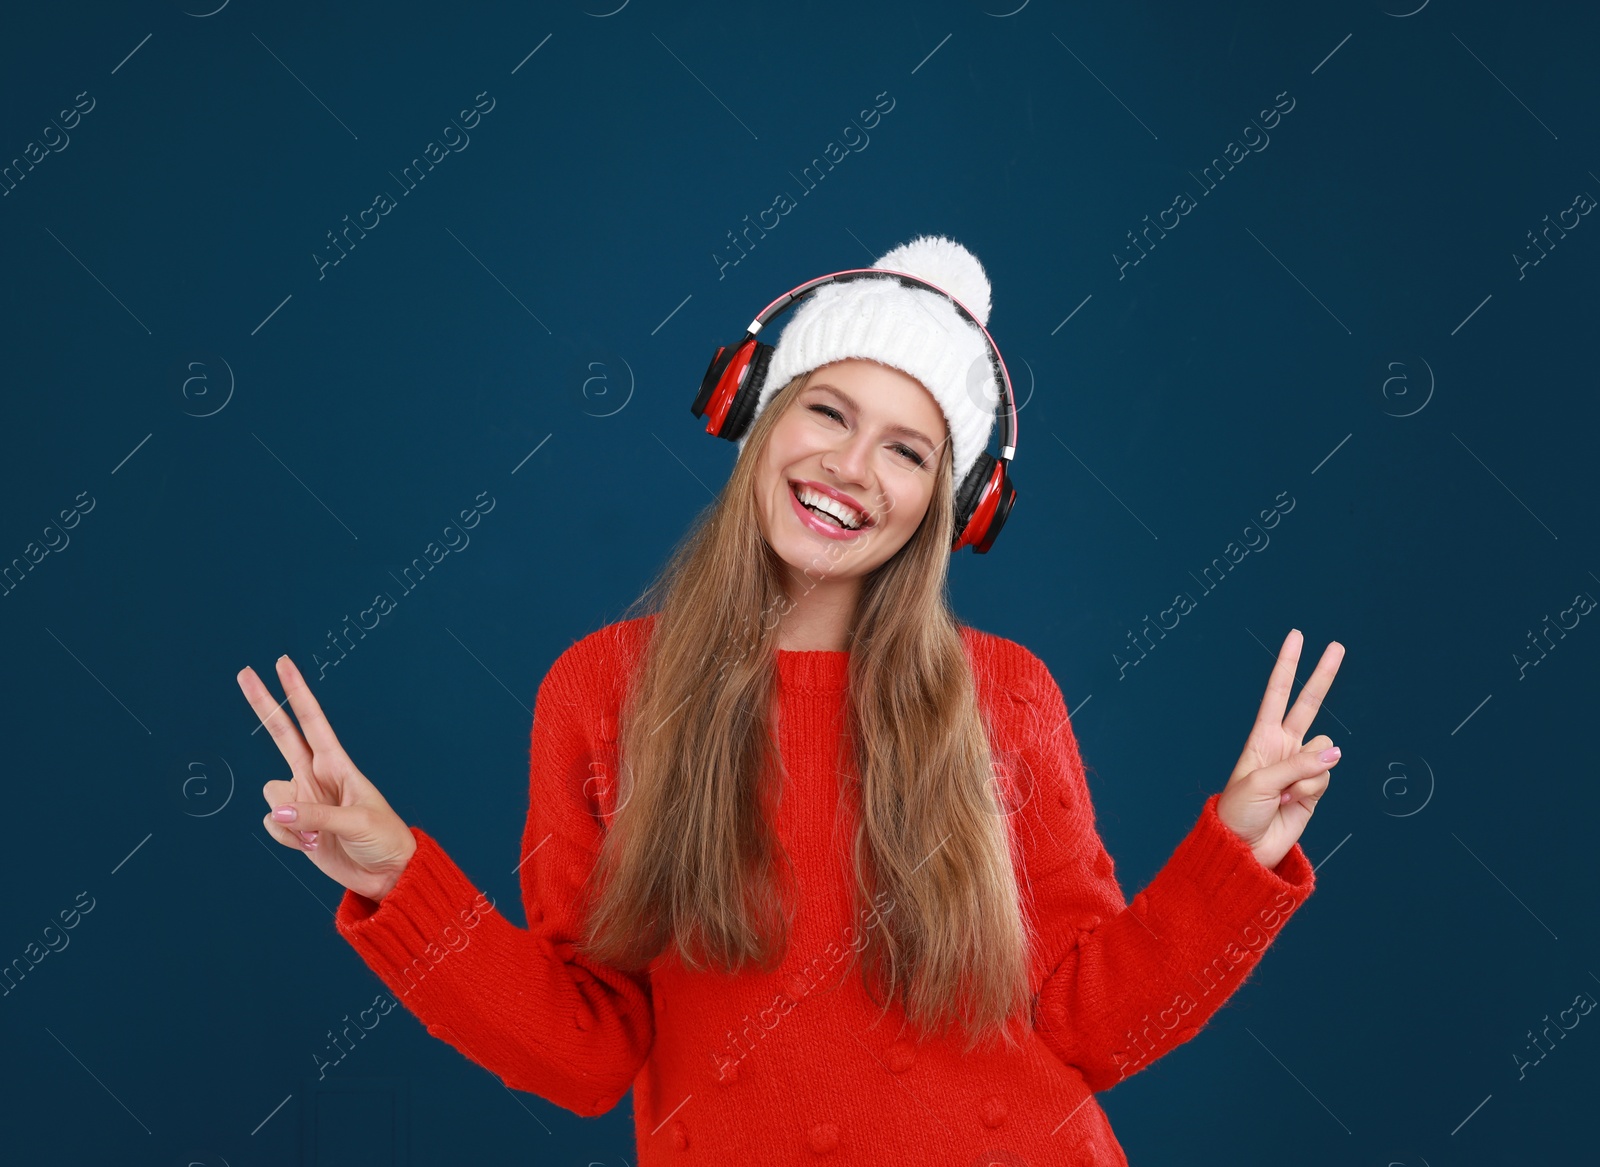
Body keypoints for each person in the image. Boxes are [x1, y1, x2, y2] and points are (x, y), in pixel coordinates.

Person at [235, 235, 1345, 1165]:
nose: (854, 467)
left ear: (947, 503)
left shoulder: (1005, 696)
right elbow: (587, 1053)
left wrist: (1232, 860)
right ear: (754, 413)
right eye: (828, 411)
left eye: (907, 450)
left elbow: (1084, 1026)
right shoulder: (603, 689)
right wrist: (400, 883)